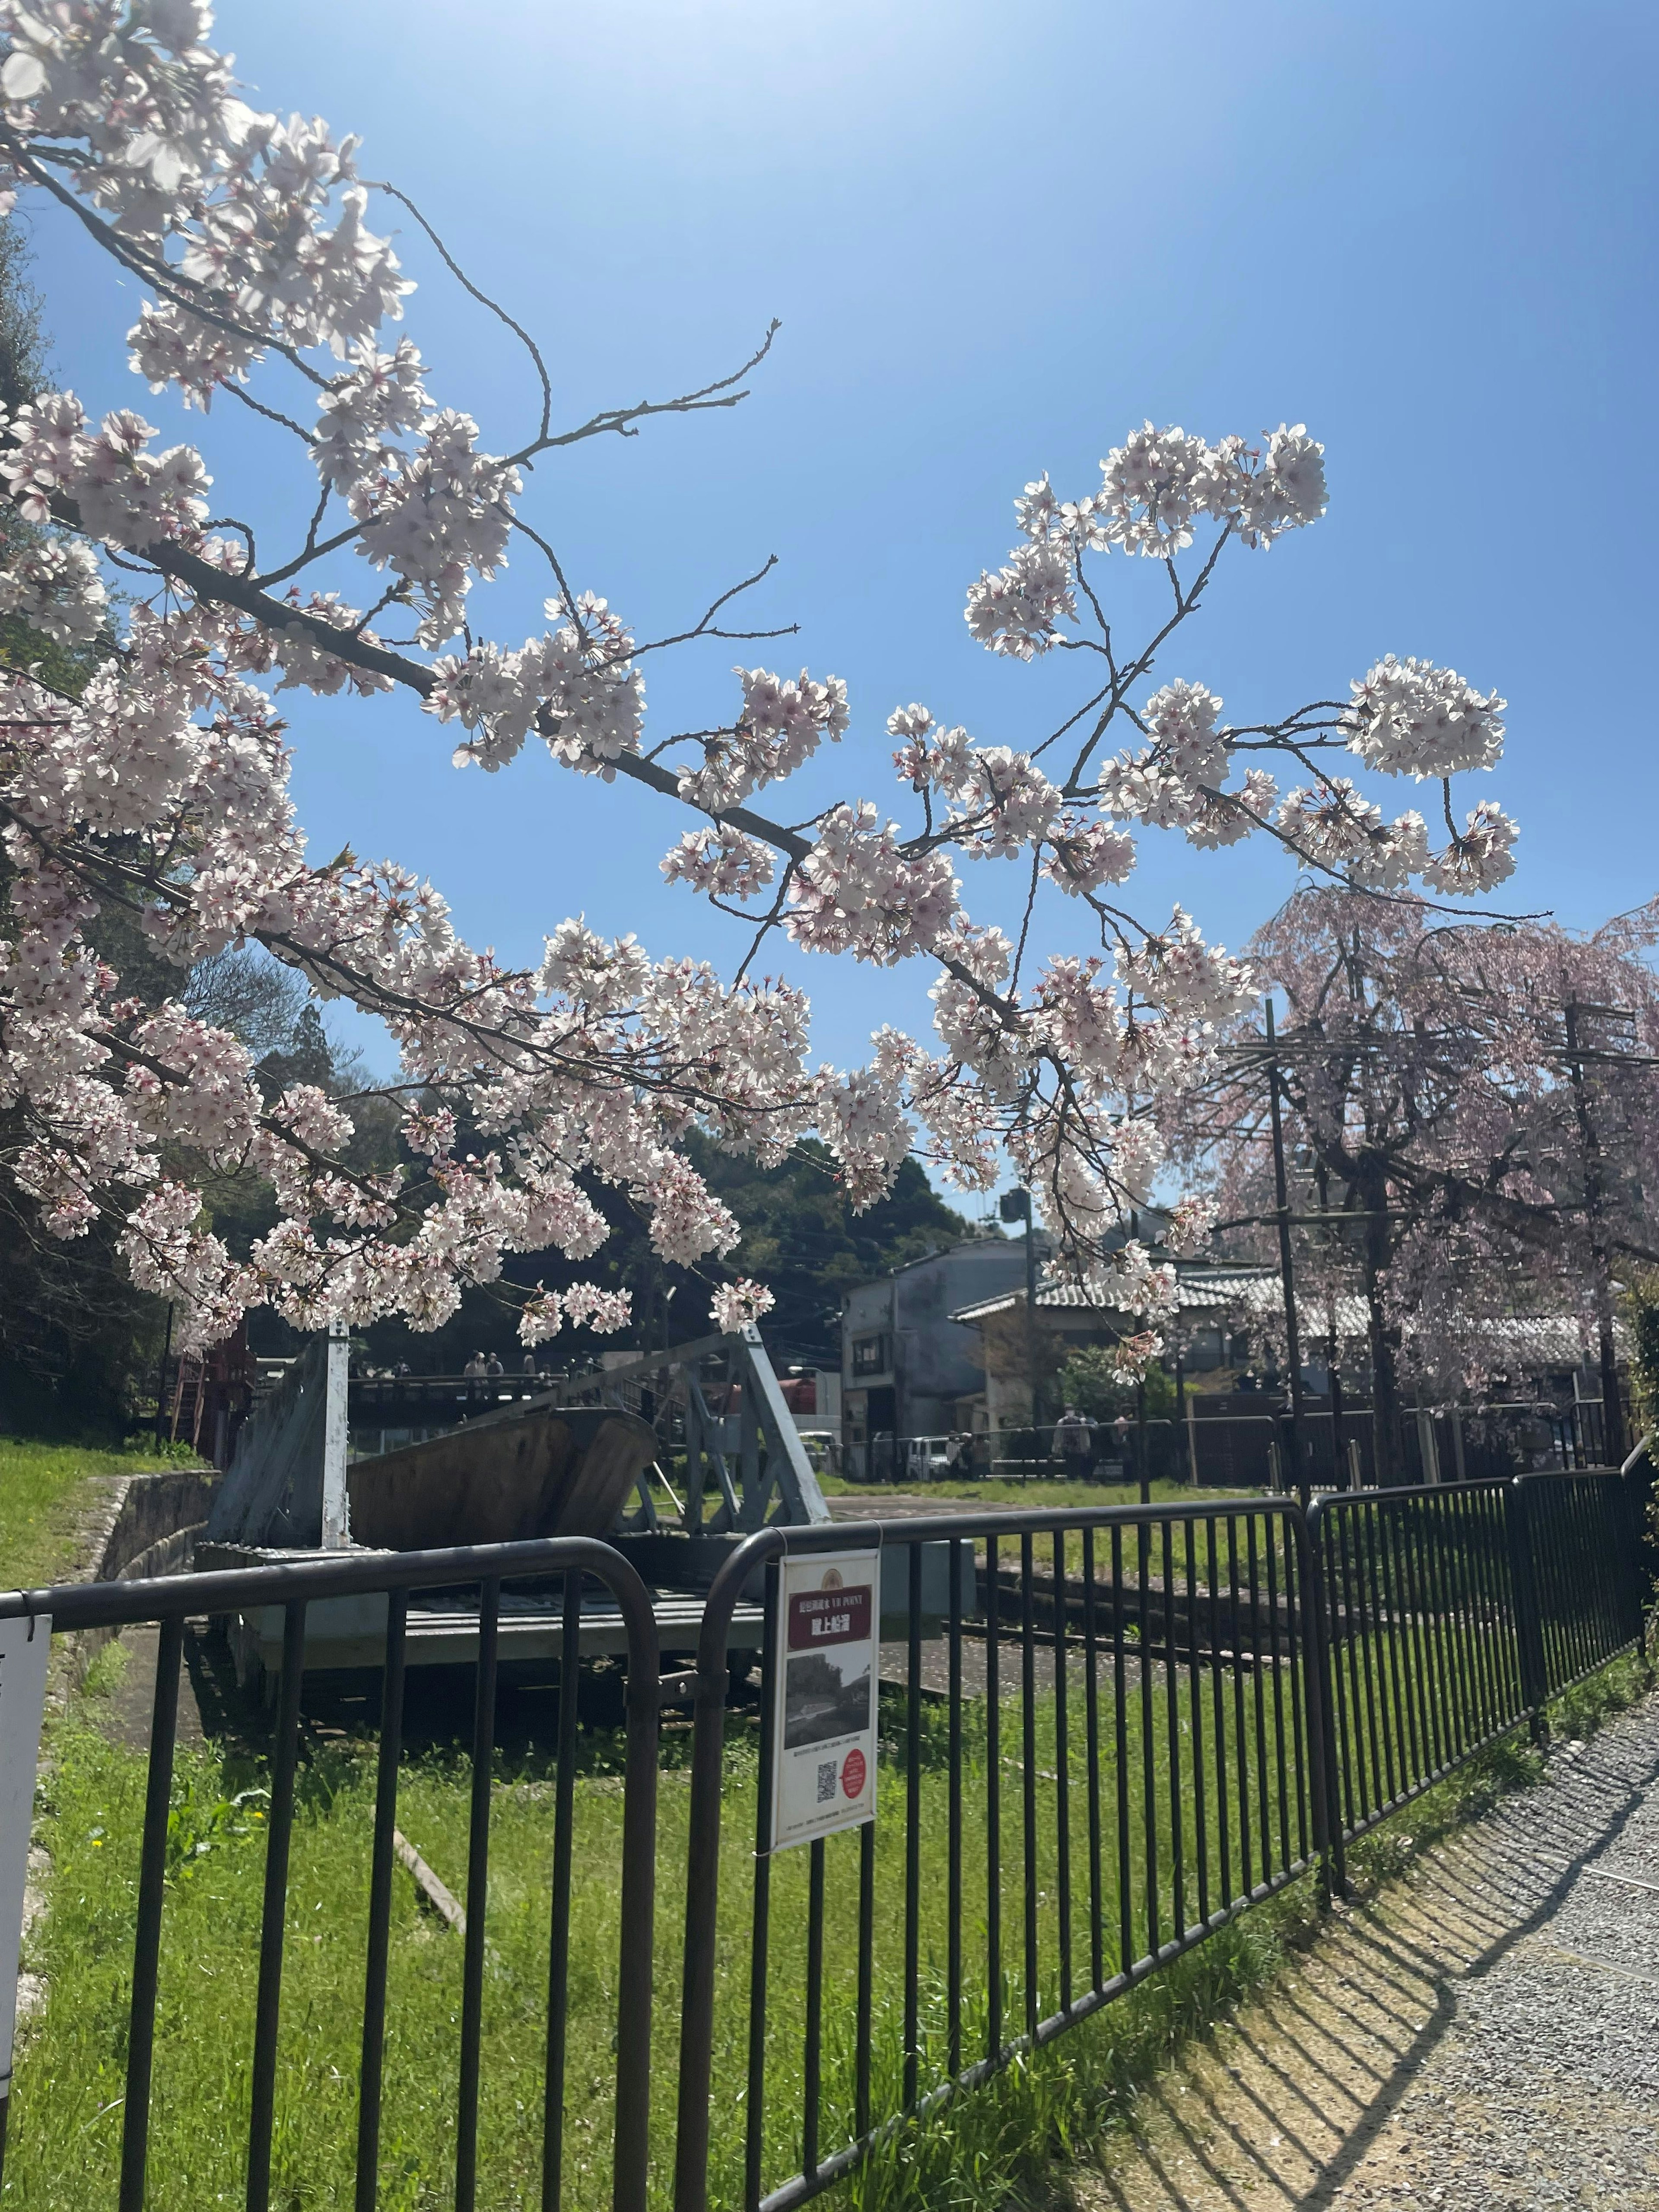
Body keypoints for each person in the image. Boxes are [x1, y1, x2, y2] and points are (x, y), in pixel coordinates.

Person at [1052, 1407, 1093, 1474]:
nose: (1070, 1411)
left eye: (1071, 1409)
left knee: (1078, 1464)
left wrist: (1087, 1446)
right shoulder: (1062, 1422)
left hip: (1079, 1447)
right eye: (1068, 1409)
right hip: (1066, 1448)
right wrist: (1056, 1449)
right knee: (1069, 1464)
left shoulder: (1080, 1421)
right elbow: (1057, 1436)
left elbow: (1085, 1435)